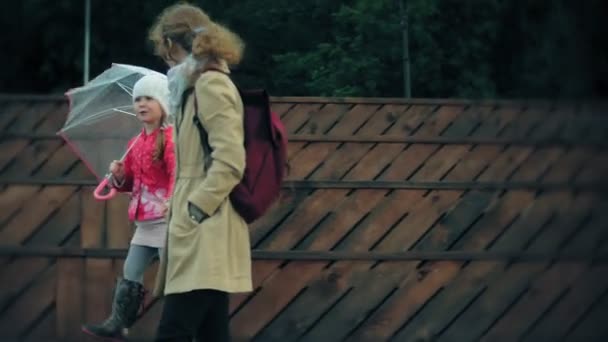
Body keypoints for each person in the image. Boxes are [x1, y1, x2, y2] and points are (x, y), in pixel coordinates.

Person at [148, 3, 252, 341]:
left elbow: (231, 160)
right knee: (211, 333)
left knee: (173, 331)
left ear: (168, 43)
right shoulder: (192, 88)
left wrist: (194, 208)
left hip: (206, 228)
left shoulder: (210, 85)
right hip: (202, 228)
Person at [82, 74, 176, 340]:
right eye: (137, 99)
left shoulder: (170, 139)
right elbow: (129, 185)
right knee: (131, 270)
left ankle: (177, 327)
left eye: (149, 98)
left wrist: (172, 199)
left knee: (172, 277)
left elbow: (177, 174)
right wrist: (119, 174)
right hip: (144, 221)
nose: (141, 104)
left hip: (166, 219)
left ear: (163, 104)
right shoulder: (135, 143)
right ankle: (118, 323)